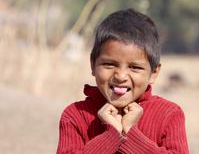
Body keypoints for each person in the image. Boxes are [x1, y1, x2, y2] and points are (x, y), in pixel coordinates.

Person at [57, 8, 189, 153]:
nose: (120, 76)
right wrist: (111, 136)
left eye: (134, 67)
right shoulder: (75, 115)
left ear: (154, 73)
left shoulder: (169, 115)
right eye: (109, 64)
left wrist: (131, 133)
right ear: (93, 64)